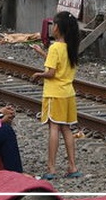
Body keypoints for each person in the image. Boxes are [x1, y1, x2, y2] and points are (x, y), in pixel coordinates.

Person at [31, 11, 81, 180]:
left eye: (53, 25)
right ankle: (73, 166)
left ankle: (51, 168)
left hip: (54, 94)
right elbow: (59, 66)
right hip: (68, 94)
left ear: (58, 28)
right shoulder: (70, 47)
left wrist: (39, 75)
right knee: (66, 128)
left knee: (53, 128)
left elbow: (51, 72)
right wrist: (42, 53)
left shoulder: (54, 47)